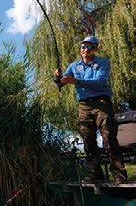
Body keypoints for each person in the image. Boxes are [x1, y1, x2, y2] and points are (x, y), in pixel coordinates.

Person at [54, 35, 128, 184]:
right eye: (83, 46)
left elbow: (99, 82)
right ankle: (95, 174)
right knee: (88, 139)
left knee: (108, 136)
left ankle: (119, 173)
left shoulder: (102, 62)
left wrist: (76, 81)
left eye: (89, 47)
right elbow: (62, 83)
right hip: (84, 105)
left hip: (102, 102)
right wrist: (58, 78)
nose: (85, 50)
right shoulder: (74, 66)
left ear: (95, 48)